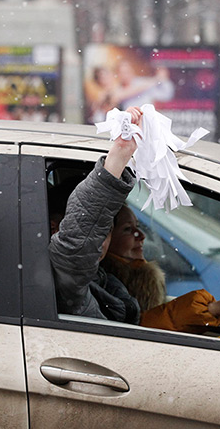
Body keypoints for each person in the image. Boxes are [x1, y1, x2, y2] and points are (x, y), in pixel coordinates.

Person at [103, 204, 220, 333]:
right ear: (105, 237)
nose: (141, 235)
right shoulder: (107, 286)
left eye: (137, 226)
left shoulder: (135, 280)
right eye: (127, 229)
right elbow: (140, 332)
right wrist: (212, 309)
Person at [49, 107, 143, 323]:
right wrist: (119, 154)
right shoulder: (66, 277)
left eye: (107, 230)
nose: (100, 240)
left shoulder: (106, 283)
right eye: (97, 229)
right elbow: (77, 244)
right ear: (54, 227)